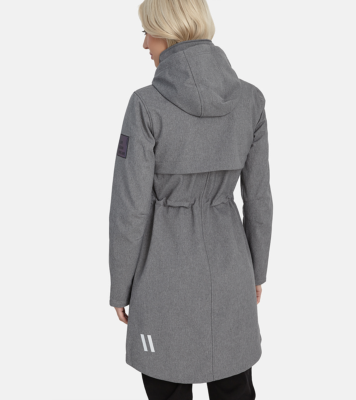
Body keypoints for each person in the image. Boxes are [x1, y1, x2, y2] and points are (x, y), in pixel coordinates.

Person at [108, 0, 273, 398]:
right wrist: (256, 272)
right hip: (232, 270)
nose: (144, 45)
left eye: (147, 33)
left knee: (167, 386)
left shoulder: (146, 104)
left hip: (162, 276)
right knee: (235, 387)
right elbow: (259, 199)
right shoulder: (251, 100)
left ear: (166, 34)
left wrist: (121, 287)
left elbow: (129, 209)